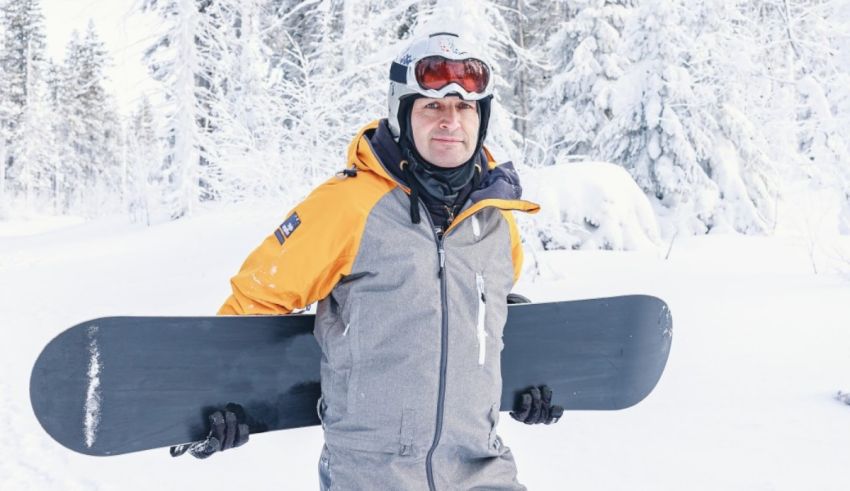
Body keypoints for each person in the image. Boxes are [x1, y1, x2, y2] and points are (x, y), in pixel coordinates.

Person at [175, 32, 563, 490]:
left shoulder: (495, 218)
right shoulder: (349, 206)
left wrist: (529, 384)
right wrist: (208, 403)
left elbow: (486, 320)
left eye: (464, 108)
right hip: (372, 476)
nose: (450, 122)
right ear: (402, 114)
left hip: (483, 470)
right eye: (431, 107)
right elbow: (258, 296)